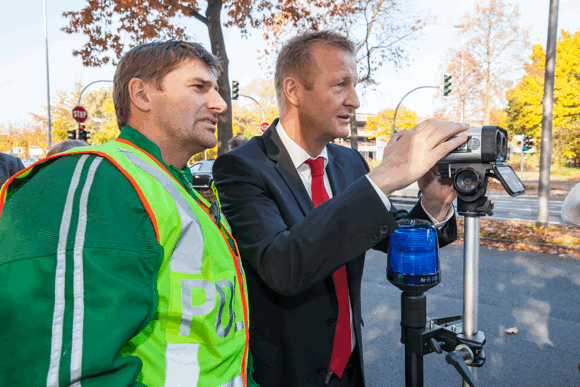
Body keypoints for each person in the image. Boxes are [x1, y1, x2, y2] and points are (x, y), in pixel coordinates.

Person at [213, 31, 468, 387]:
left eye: (355, 85)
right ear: (293, 91)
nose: (355, 100)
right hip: (286, 373)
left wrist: (434, 202)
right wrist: (384, 178)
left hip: (349, 366)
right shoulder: (241, 168)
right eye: (340, 85)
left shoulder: (351, 163)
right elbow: (282, 265)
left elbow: (395, 237)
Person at [0, 41, 257, 387]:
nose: (221, 104)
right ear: (142, 94)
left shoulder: (177, 189)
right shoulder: (100, 180)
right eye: (199, 87)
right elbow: (69, 370)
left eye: (216, 89)